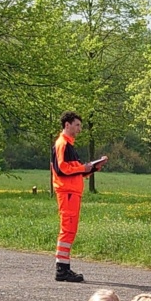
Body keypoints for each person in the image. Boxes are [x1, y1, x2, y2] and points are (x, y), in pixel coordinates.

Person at [51, 111, 105, 283]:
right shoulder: (62, 144)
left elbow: (74, 171)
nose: (79, 129)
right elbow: (63, 169)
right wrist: (84, 167)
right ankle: (62, 270)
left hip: (72, 192)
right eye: (77, 125)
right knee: (67, 229)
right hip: (67, 192)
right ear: (67, 125)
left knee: (70, 230)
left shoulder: (69, 145)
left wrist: (93, 168)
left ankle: (64, 268)